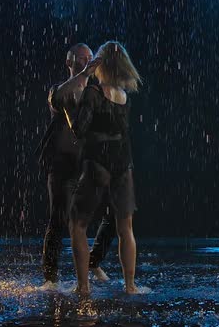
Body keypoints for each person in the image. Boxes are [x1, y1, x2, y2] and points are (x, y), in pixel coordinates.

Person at [35, 43, 116, 285]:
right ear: (69, 62)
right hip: (62, 166)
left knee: (114, 210)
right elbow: (57, 98)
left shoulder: (95, 91)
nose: (87, 61)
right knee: (59, 218)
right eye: (81, 58)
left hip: (89, 165)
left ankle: (93, 262)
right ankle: (50, 277)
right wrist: (83, 75)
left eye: (90, 57)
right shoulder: (59, 89)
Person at [68, 41, 142, 294]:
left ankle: (83, 287)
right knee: (126, 227)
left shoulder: (94, 92)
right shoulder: (123, 96)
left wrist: (70, 109)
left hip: (98, 162)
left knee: (78, 223)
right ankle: (130, 286)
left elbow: (79, 130)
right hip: (124, 164)